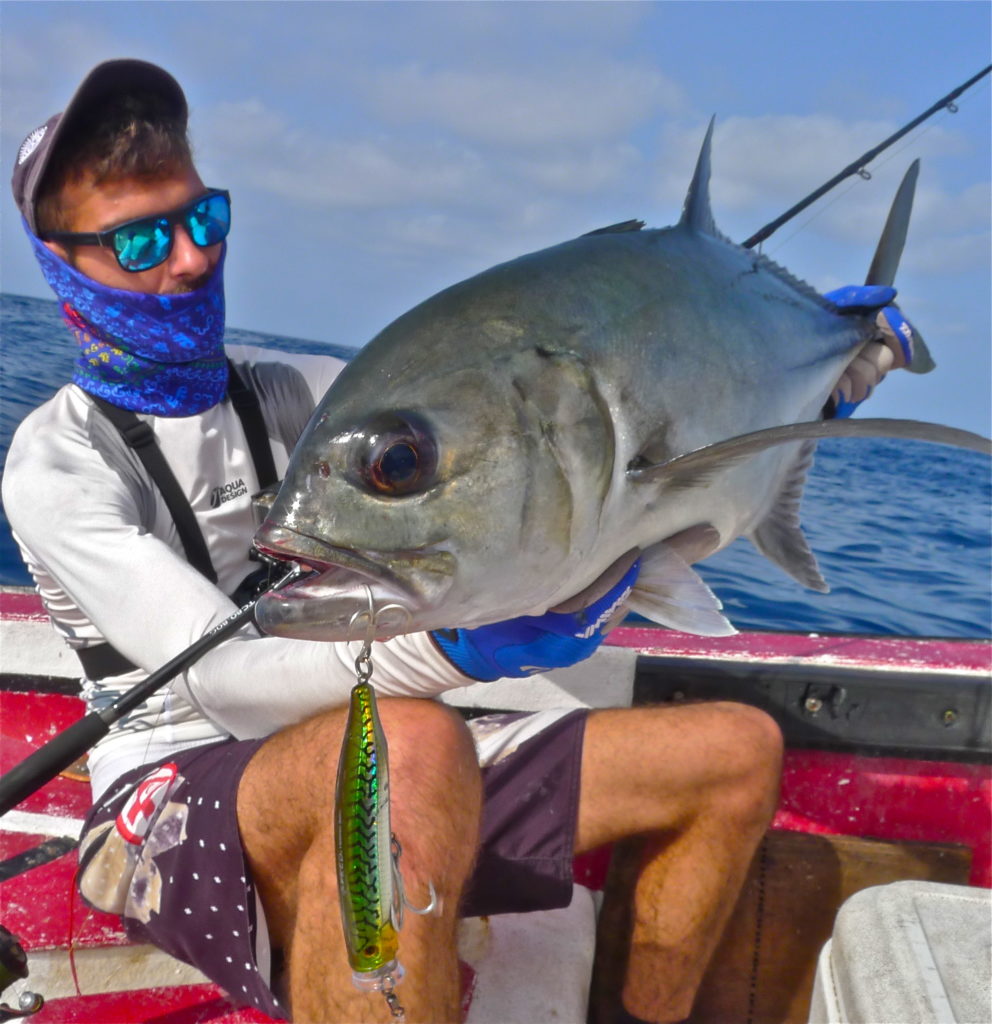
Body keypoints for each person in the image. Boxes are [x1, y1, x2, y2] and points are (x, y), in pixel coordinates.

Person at [3, 60, 915, 1024]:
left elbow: (519, 443)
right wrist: (451, 649)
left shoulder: (296, 394)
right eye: (140, 239)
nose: (187, 260)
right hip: (166, 797)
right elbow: (219, 679)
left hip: (366, 743)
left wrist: (815, 383)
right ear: (64, 263)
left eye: (203, 220)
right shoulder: (57, 465)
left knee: (731, 752)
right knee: (408, 745)